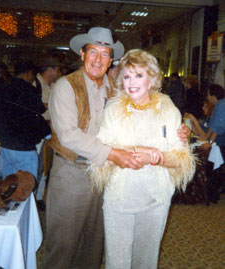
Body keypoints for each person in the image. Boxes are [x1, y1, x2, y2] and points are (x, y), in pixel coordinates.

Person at [42, 27, 190, 269]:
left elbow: (153, 115)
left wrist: (182, 130)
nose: (98, 59)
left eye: (105, 54)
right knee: (62, 246)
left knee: (94, 246)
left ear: (111, 60)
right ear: (82, 53)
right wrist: (112, 154)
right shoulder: (65, 86)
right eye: (93, 52)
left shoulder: (116, 90)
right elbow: (68, 135)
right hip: (73, 173)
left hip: (109, 178)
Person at [88, 49, 196, 269]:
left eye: (139, 75)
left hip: (155, 199)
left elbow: (182, 159)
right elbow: (102, 152)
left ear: (152, 79)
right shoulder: (113, 110)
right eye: (127, 76)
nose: (131, 82)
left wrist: (155, 157)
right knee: (117, 261)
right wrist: (119, 156)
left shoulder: (168, 110)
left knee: (146, 261)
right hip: (119, 199)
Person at [0, 60, 51, 179]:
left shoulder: (3, 88)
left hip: (6, 145)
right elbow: (39, 109)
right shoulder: (28, 90)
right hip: (23, 147)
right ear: (28, 73)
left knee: (8, 184)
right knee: (26, 186)